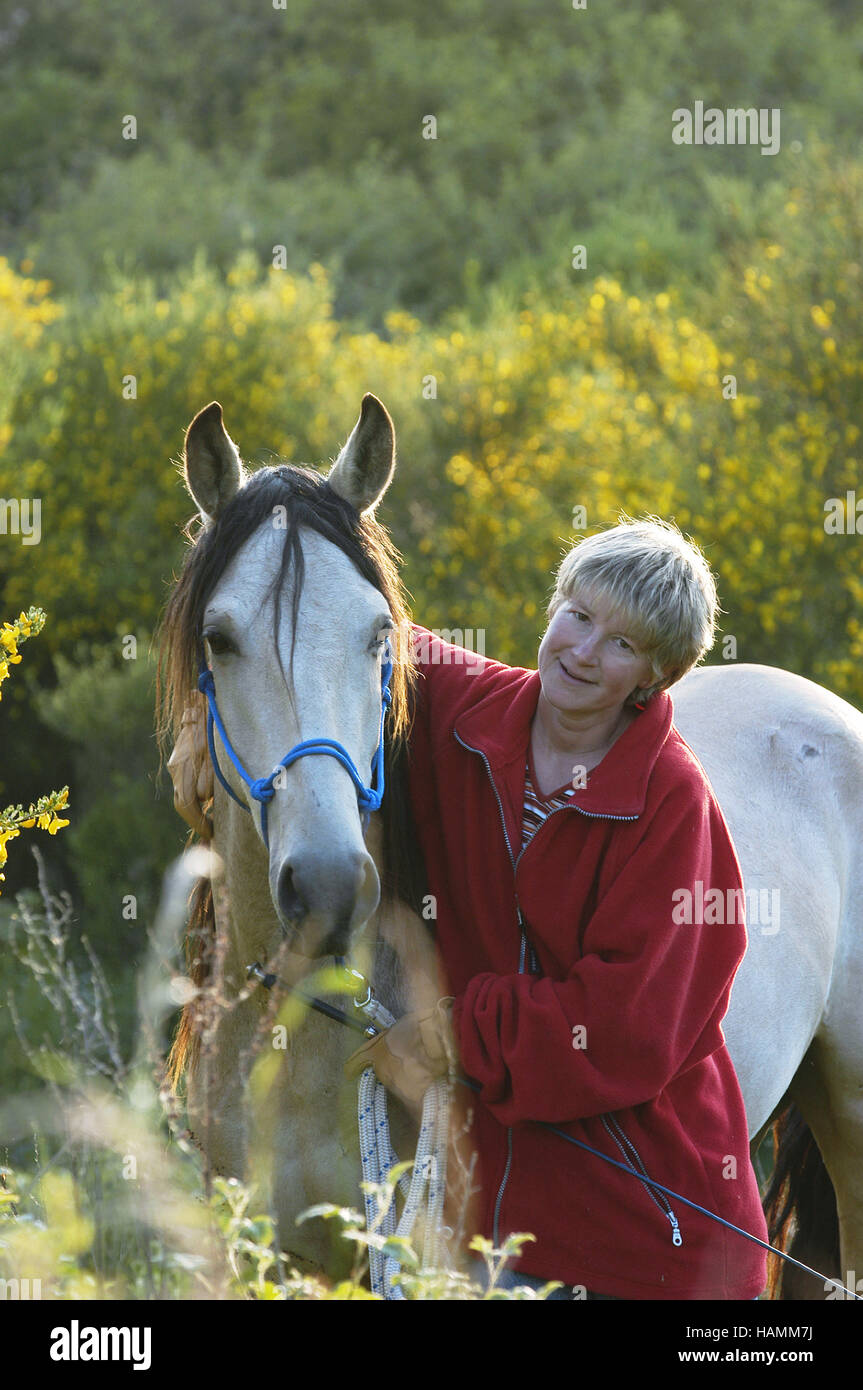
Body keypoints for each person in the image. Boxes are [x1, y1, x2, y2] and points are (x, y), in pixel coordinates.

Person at [169, 516, 768, 1300]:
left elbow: (627, 1029)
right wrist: (195, 712)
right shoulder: (467, 709)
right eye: (578, 617)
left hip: (638, 1222)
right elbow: (323, 620)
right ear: (552, 610)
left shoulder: (672, 802)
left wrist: (455, 1028)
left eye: (620, 644)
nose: (582, 651)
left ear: (655, 675)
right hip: (488, 1217)